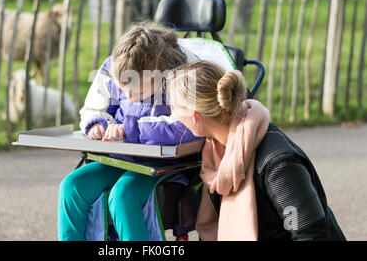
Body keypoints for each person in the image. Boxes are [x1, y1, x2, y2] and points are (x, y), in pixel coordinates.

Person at [167, 60, 346, 240]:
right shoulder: (215, 153)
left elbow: (312, 235)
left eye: (175, 108)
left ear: (195, 115)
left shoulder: (279, 165)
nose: (174, 116)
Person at [57, 24, 202, 241]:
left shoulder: (183, 74)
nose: (130, 96)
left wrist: (130, 129)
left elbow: (187, 127)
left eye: (139, 90)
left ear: (159, 74)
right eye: (123, 90)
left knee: (124, 195)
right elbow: (93, 108)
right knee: (72, 186)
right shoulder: (117, 65)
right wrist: (97, 123)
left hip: (165, 165)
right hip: (123, 158)